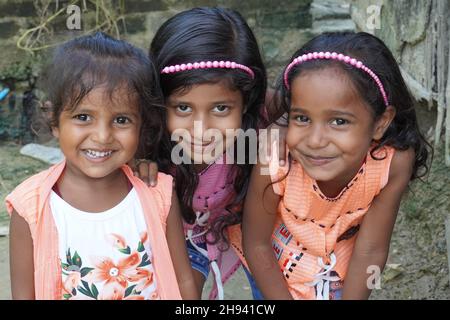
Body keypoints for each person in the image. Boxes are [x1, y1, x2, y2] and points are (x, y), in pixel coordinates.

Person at [230, 31, 431, 299]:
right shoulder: (275, 158)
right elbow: (256, 244)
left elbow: (370, 250)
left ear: (381, 122)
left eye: (339, 122)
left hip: (336, 266)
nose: (315, 141)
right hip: (272, 265)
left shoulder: (392, 163)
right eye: (302, 118)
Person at [6, 32, 198, 300]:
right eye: (83, 117)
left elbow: (184, 280)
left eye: (121, 120)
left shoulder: (158, 194)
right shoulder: (31, 207)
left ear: (141, 124)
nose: (103, 136)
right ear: (54, 120)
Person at [146, 7, 268, 299]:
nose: (202, 131)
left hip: (252, 230)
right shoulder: (145, 145)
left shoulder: (267, 125)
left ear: (247, 101)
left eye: (221, 108)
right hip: (181, 238)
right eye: (183, 108)